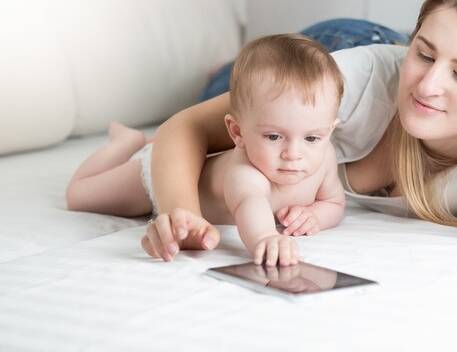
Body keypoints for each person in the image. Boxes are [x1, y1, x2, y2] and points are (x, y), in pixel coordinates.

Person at [145, 0, 457, 265]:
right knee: (226, 91)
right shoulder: (353, 79)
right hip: (340, 41)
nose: (428, 85)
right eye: (425, 53)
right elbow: (185, 127)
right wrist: (182, 215)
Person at [66, 34, 346, 266]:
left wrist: (316, 216)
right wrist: (265, 239)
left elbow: (334, 202)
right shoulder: (245, 171)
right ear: (237, 132)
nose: (293, 154)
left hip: (193, 168)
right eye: (274, 136)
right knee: (78, 196)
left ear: (329, 130)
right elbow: (251, 206)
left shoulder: (324, 159)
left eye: (311, 139)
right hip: (159, 175)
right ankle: (125, 144)